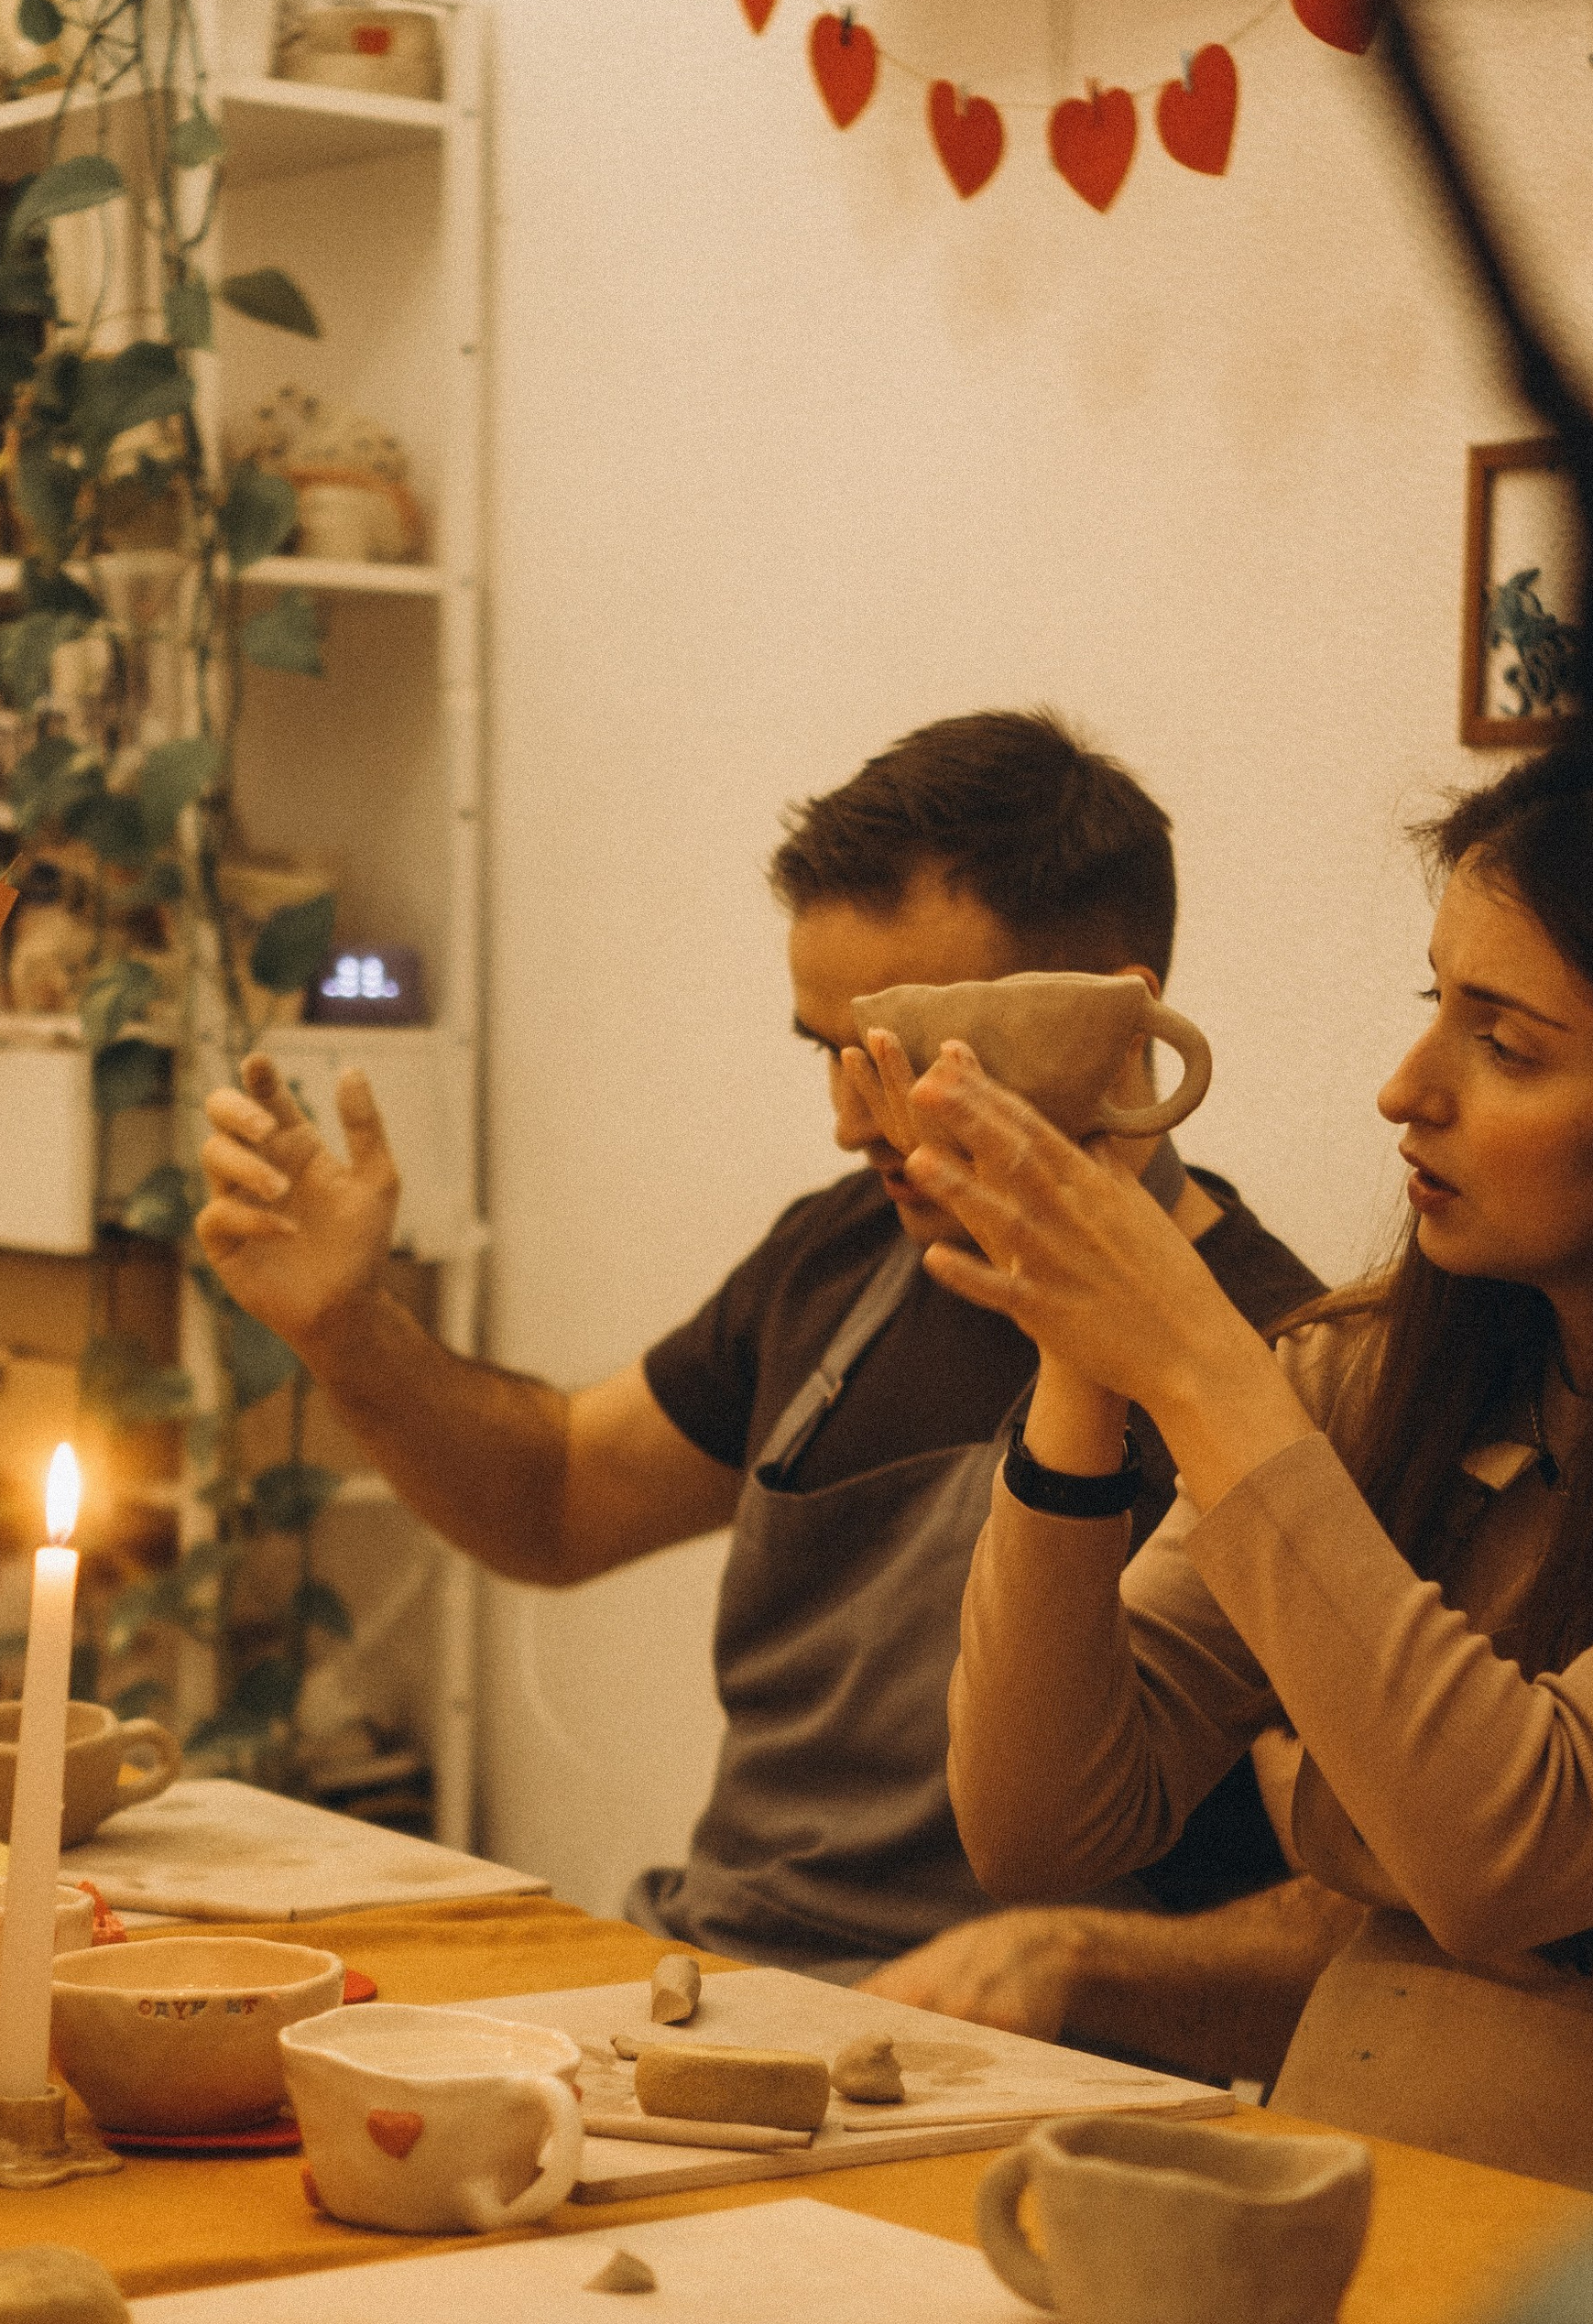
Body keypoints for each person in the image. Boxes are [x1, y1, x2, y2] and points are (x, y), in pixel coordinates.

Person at [850, 731, 1593, 2202]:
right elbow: (1044, 1820)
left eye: (1508, 1044)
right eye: (1436, 1007)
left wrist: (1196, 1360)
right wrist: (1076, 1354)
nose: (1406, 1089)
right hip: (1336, 2209)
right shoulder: (1384, 1369)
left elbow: (1516, 1847)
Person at [195, 706, 1328, 2058]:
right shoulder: (838, 1259)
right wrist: (349, 1328)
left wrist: (1081, 1958)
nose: (853, 1121)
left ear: (1111, 1025)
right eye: (826, 1053)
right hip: (707, 1991)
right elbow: (556, 1501)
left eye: (903, 1058)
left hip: (1015, 2083)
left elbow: (1395, 1915)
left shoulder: (1294, 1363)